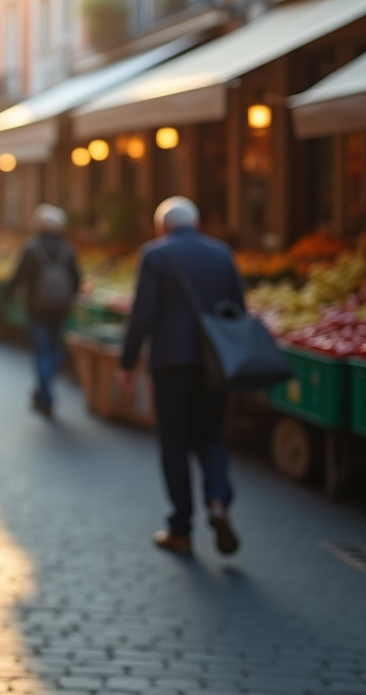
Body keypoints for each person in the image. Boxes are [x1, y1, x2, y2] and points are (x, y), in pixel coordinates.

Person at [117, 196, 244, 558]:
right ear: (198, 224)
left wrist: (127, 363)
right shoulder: (222, 254)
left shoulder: (155, 255)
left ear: (161, 228)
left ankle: (181, 529)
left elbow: (142, 314)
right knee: (212, 436)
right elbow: (239, 308)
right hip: (215, 363)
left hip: (171, 362)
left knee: (174, 443)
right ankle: (218, 501)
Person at [1, 205, 81, 418]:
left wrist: (6, 299)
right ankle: (45, 388)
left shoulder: (31, 248)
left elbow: (18, 277)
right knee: (55, 350)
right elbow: (77, 279)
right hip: (60, 309)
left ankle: (44, 393)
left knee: (41, 351)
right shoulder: (68, 249)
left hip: (36, 308)